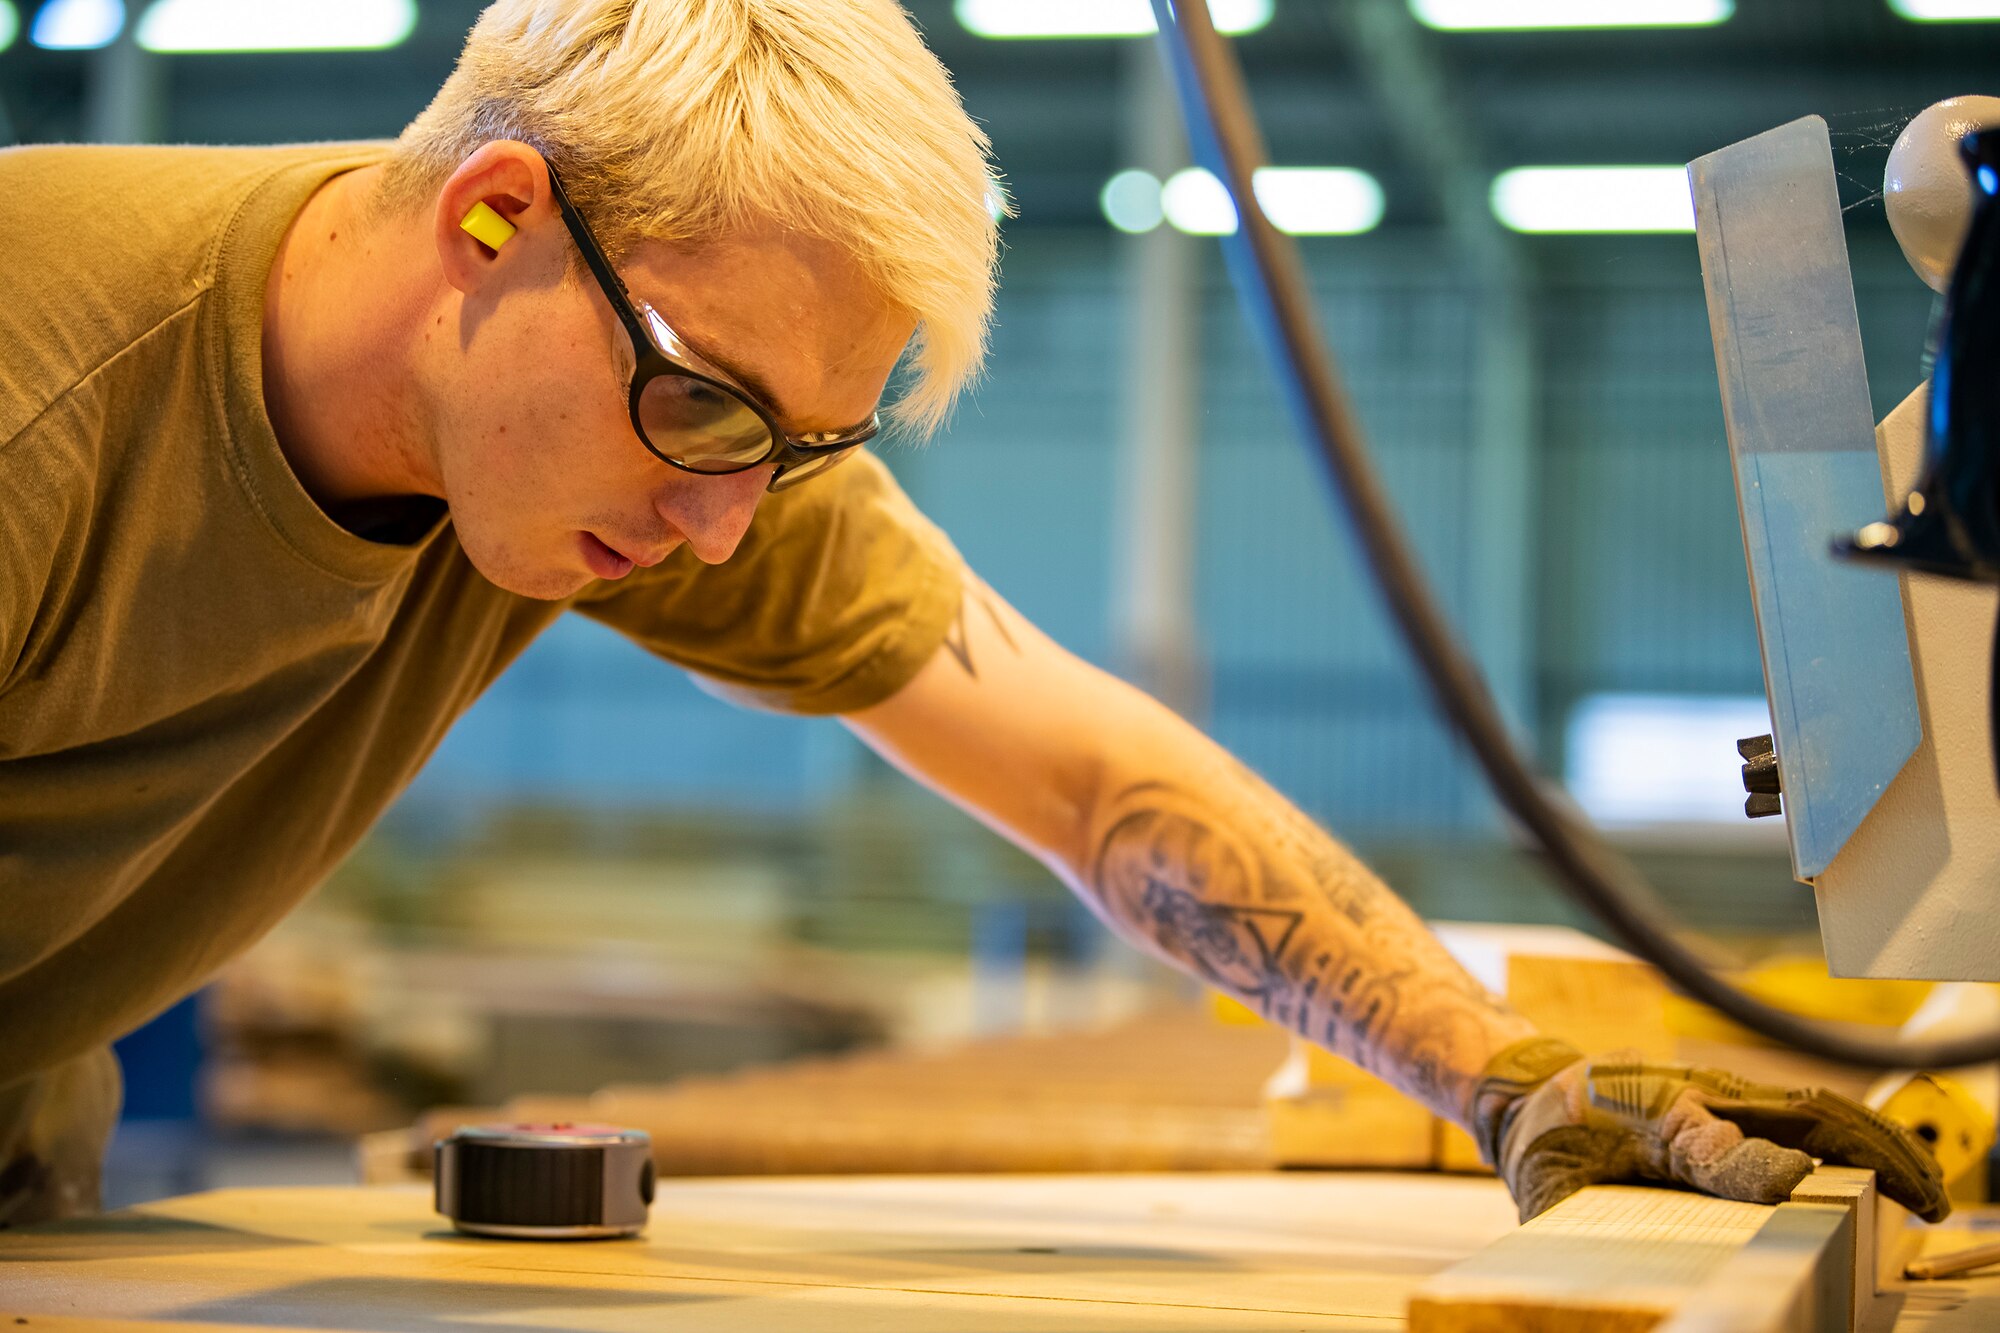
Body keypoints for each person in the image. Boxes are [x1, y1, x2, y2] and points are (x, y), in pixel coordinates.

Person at [0, 0, 1946, 1230]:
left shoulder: (673, 419)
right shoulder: (38, 400)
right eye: (706, 412)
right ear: (493, 212)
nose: (720, 522)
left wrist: (1509, 1074)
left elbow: (1098, 782)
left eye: (805, 452)